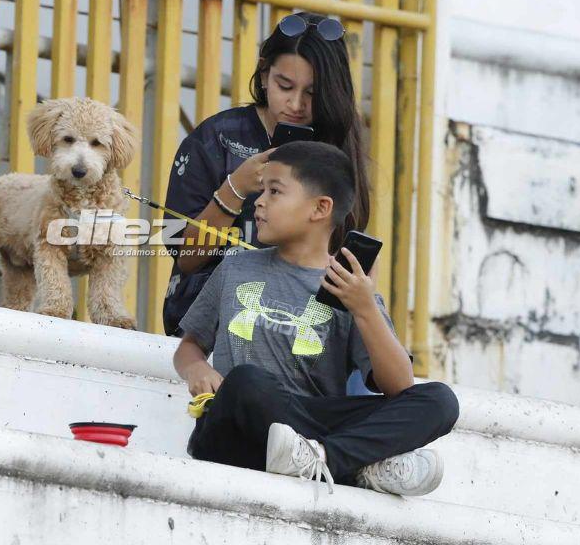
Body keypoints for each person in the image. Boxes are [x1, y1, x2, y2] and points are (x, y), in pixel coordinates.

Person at [172, 141, 459, 495]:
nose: (259, 202)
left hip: (311, 427)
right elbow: (188, 347)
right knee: (247, 383)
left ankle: (325, 458)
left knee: (440, 401)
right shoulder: (235, 268)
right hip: (237, 429)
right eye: (261, 191)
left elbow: (399, 386)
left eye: (275, 191)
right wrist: (196, 369)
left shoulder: (350, 286)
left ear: (320, 208)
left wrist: (364, 307)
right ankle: (356, 467)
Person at [162, 12, 370, 338]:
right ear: (263, 74)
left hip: (303, 329)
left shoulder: (339, 148)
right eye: (284, 85)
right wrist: (236, 187)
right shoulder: (218, 138)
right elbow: (186, 257)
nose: (296, 104)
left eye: (313, 93)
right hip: (212, 323)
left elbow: (344, 255)